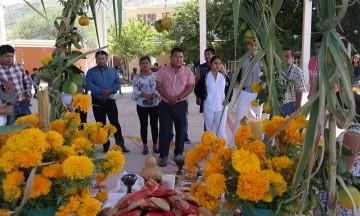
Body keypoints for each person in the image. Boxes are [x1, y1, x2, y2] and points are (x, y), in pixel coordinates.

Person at [155, 47, 195, 167]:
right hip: (165, 104)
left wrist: (178, 98)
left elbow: (190, 86)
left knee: (181, 129)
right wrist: (168, 97)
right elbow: (158, 85)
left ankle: (178, 153)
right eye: (176, 56)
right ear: (171, 57)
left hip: (181, 104)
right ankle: (163, 155)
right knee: (164, 130)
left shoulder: (187, 72)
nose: (179, 59)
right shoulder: (162, 70)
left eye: (181, 57)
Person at [86, 50, 129, 153]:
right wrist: (101, 92)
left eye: (103, 58)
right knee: (101, 125)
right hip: (98, 102)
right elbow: (89, 85)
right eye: (99, 59)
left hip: (110, 101)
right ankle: (105, 145)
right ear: (96, 60)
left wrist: (110, 91)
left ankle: (120, 145)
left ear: (106, 59)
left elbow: (117, 83)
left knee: (115, 123)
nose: (101, 61)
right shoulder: (91, 72)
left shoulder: (113, 71)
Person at [194, 56, 233, 141]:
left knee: (221, 130)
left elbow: (230, 90)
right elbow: (197, 89)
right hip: (208, 107)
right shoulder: (205, 77)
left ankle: (223, 151)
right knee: (210, 131)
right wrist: (204, 97)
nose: (218, 65)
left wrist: (228, 99)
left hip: (221, 107)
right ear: (211, 64)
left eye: (219, 63)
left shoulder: (224, 77)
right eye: (215, 63)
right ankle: (211, 152)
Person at [232, 40, 262, 137]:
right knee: (240, 118)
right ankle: (234, 142)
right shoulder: (243, 60)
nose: (253, 47)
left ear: (258, 46)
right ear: (248, 46)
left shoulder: (262, 59)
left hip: (258, 94)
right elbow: (238, 75)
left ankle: (256, 141)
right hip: (245, 92)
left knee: (257, 119)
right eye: (251, 45)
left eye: (255, 45)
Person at [131, 56, 160, 155]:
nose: (145, 65)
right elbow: (135, 89)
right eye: (143, 63)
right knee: (143, 125)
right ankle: (144, 145)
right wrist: (146, 96)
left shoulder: (156, 75)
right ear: (140, 65)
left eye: (147, 63)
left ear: (150, 64)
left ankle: (155, 144)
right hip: (141, 105)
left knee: (154, 125)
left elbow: (160, 86)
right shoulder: (136, 77)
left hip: (155, 104)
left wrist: (153, 95)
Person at [0, 45, 32, 125]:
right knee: (10, 132)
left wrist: (28, 96)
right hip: (8, 108)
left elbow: (26, 82)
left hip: (23, 104)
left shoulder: (18, 66)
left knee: (30, 126)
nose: (10, 58)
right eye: (7, 56)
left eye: (12, 56)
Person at [281, 48, 306, 116]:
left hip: (290, 106)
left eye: (287, 56)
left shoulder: (297, 71)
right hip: (276, 106)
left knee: (290, 126)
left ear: (292, 57)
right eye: (282, 56)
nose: (284, 58)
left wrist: (298, 107)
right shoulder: (275, 69)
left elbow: (300, 90)